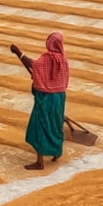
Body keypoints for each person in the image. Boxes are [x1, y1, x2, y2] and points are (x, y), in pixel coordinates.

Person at [10, 32, 69, 170]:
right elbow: (61, 80)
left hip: (46, 98)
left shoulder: (47, 59)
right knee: (55, 125)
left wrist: (19, 53)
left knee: (40, 126)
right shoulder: (63, 60)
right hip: (59, 97)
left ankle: (40, 162)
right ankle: (56, 153)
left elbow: (33, 65)